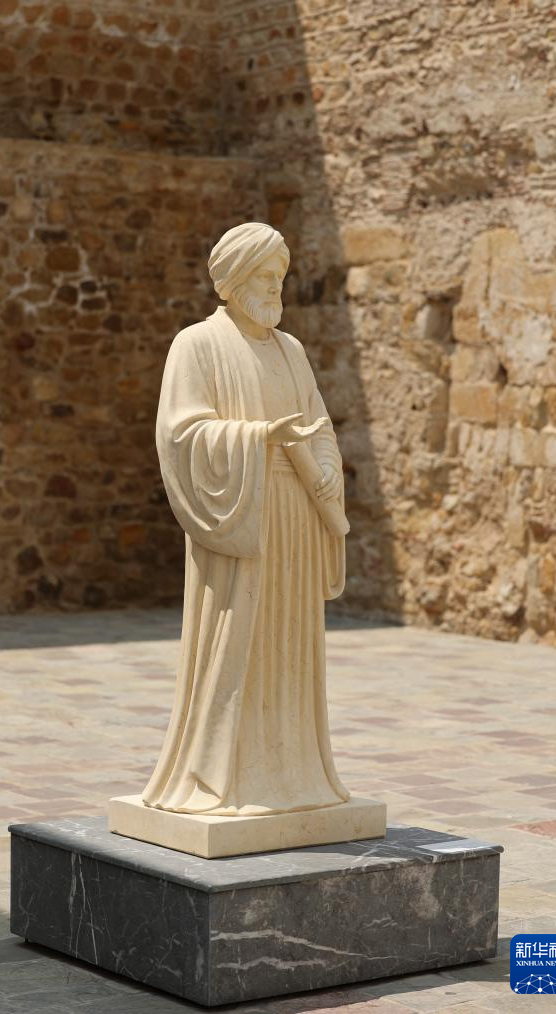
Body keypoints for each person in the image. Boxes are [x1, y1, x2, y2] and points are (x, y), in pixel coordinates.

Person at [142, 222, 350, 816]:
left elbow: (319, 423)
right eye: (263, 275)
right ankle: (228, 776)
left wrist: (326, 467)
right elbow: (181, 433)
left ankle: (292, 774)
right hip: (242, 512)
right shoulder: (197, 345)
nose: (275, 286)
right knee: (238, 644)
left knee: (291, 644)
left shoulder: (292, 351)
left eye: (280, 275)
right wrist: (258, 438)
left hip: (296, 516)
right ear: (232, 280)